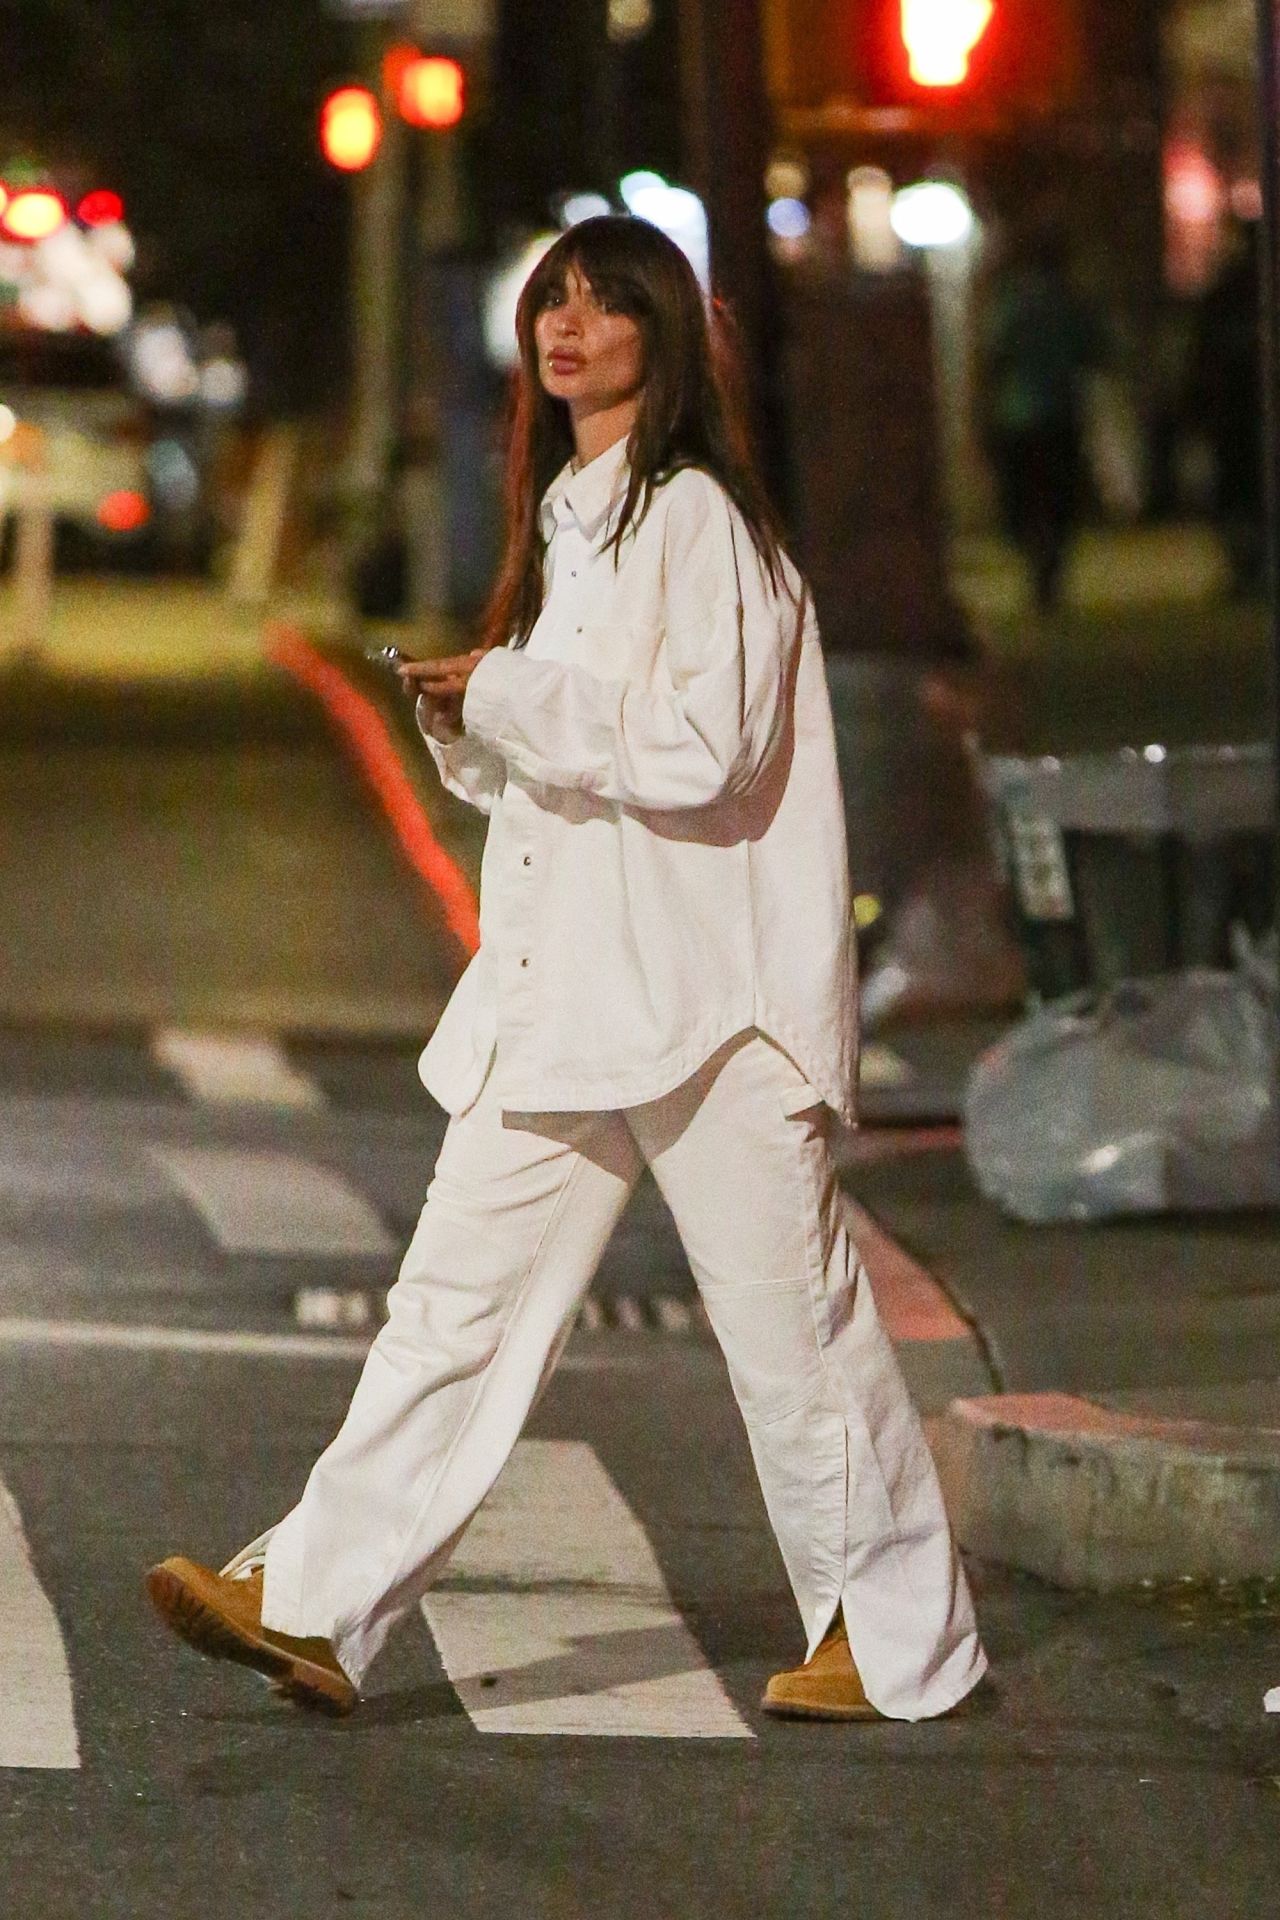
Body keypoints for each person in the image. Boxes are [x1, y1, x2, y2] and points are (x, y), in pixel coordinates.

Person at [146, 216, 987, 1725]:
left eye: (605, 303)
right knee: (447, 1307)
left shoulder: (699, 521)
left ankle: (893, 1633)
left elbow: (701, 747)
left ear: (665, 339)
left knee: (789, 1321)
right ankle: (316, 1600)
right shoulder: (572, 519)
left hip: (707, 1001)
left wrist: (520, 695)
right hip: (572, 990)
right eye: (554, 301)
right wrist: (473, 724)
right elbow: (556, 764)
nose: (570, 324)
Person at [978, 220, 1102, 614]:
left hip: (1018, 417)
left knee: (1025, 499)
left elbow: (993, 358)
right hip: (1059, 416)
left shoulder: (1013, 302)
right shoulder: (1069, 302)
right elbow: (1096, 353)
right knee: (1058, 498)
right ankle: (1049, 571)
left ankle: (1040, 570)